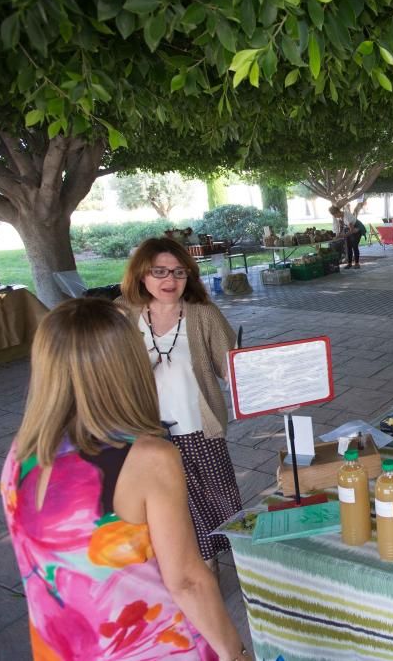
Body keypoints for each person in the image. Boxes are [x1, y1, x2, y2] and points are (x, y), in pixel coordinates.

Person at [1, 298, 248, 660]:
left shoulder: (21, 451)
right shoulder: (149, 458)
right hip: (144, 644)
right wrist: (236, 652)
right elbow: (187, 580)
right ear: (125, 365)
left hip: (62, 645)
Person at [118, 238, 241, 567]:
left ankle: (230, 557)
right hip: (149, 432)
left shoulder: (203, 314)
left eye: (178, 272)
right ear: (142, 274)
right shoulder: (124, 314)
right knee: (172, 504)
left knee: (219, 496)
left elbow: (232, 366)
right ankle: (196, 562)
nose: (169, 280)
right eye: (159, 271)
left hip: (199, 425)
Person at [342, 202, 367, 269]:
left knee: (354, 246)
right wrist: (342, 234)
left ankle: (357, 263)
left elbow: (352, 229)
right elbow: (343, 227)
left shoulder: (346, 216)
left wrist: (344, 235)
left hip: (357, 228)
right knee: (348, 247)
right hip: (350, 229)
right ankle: (349, 263)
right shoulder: (340, 217)